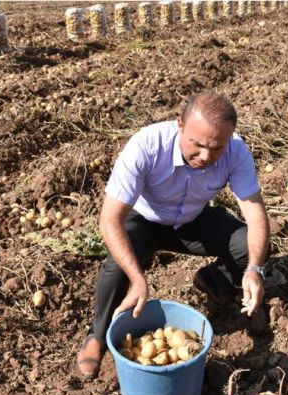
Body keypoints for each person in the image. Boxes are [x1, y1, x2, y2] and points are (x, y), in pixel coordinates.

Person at [76, 92, 270, 378]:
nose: (206, 156)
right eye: (198, 145)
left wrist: (255, 269)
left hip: (193, 220)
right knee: (117, 268)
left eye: (216, 148)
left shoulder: (236, 151)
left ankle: (214, 280)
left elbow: (256, 215)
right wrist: (137, 278)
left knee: (250, 244)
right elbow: (109, 221)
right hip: (145, 219)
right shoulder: (146, 146)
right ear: (180, 125)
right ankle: (97, 335)